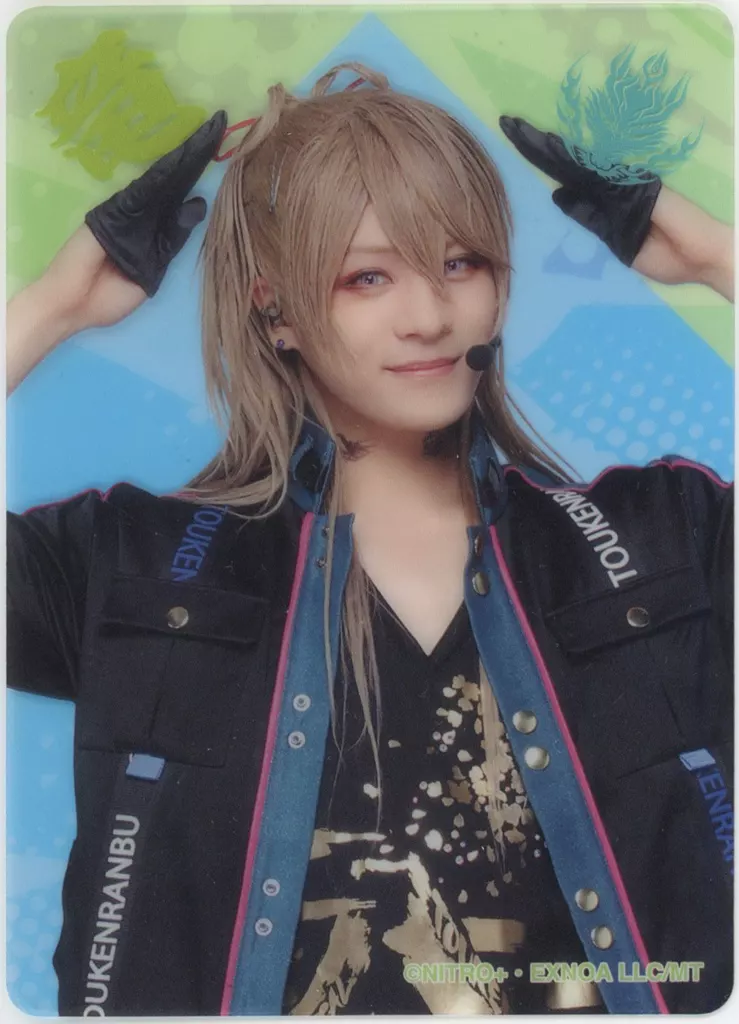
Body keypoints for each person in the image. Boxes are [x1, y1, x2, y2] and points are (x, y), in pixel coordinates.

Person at [6, 61, 733, 1017]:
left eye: (461, 263)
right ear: (275, 311)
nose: (428, 317)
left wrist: (720, 260)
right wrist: (50, 309)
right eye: (368, 277)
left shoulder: (663, 538)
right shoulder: (129, 562)